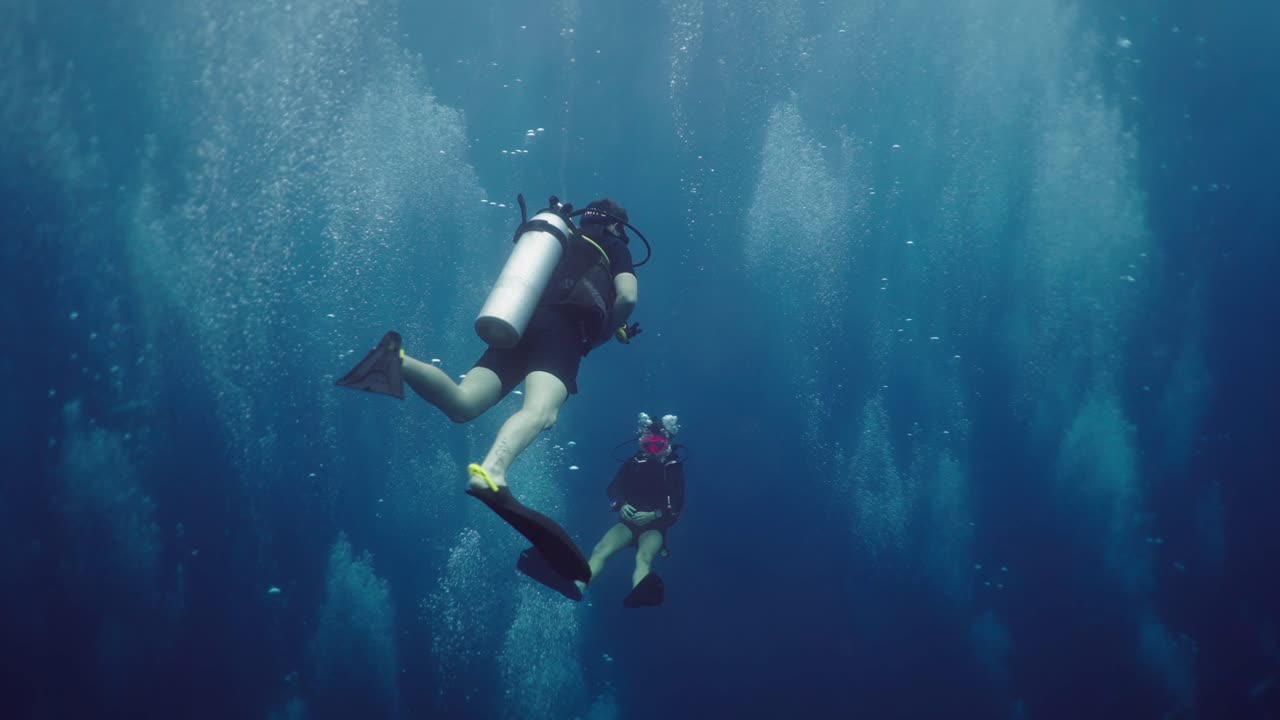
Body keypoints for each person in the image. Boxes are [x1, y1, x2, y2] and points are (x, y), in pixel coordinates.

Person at [335, 197, 642, 585]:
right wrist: (597, 336)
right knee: (543, 411)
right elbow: (627, 297)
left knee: (464, 403)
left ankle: (396, 361)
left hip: (517, 319)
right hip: (564, 329)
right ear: (616, 225)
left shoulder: (561, 241)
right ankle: (493, 470)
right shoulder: (613, 245)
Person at [580, 412, 686, 608]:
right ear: (641, 443)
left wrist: (655, 514)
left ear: (667, 443)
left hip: (655, 526)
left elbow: (678, 503)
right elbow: (614, 488)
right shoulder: (634, 463)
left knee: (643, 557)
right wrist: (620, 504)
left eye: (658, 445)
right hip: (628, 522)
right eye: (648, 445)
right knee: (601, 549)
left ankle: (641, 593)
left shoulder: (673, 468)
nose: (653, 451)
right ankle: (579, 585)